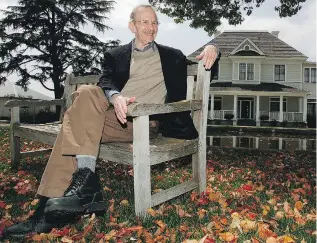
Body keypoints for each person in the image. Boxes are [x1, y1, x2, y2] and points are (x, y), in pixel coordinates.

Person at [2, 4, 220, 239]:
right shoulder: (116, 55)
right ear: (132, 26)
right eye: (145, 22)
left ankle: (45, 213)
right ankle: (84, 184)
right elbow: (105, 80)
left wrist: (213, 48)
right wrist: (115, 97)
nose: (151, 27)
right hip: (113, 117)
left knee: (73, 124)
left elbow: (206, 66)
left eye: (154, 22)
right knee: (86, 94)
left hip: (142, 123)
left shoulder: (172, 56)